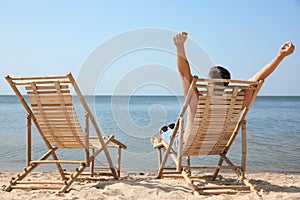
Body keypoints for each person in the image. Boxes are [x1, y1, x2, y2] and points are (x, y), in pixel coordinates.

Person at [151, 32, 295, 148]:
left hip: (188, 144)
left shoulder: (198, 99)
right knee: (175, 127)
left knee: (164, 130)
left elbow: (184, 75)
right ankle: (166, 135)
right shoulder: (235, 103)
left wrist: (179, 47)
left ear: (208, 82)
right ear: (226, 84)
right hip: (215, 145)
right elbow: (256, 80)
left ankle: (158, 143)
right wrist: (280, 56)